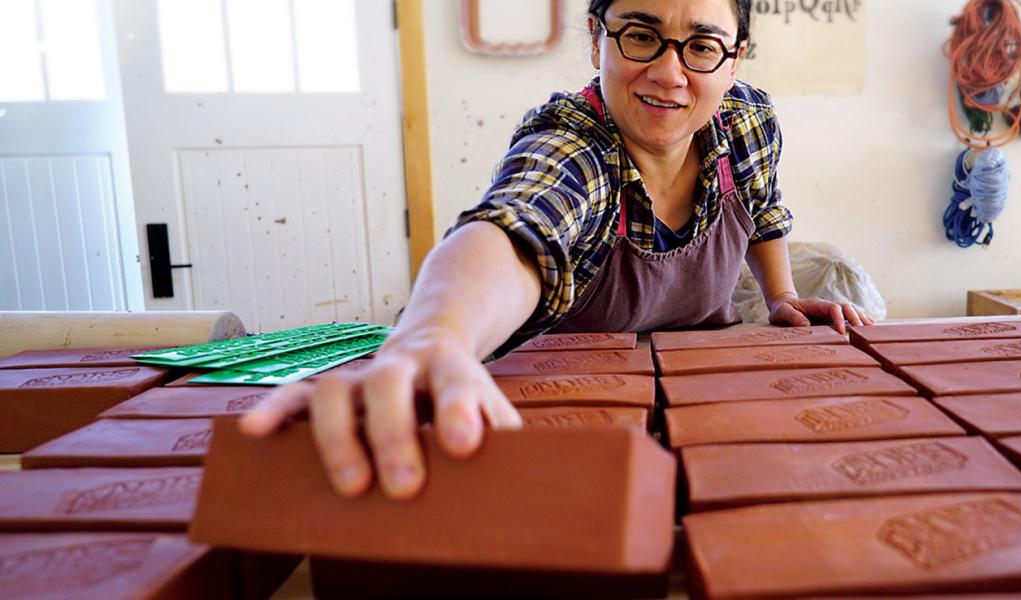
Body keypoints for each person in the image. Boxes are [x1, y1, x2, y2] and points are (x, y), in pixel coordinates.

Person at [241, 0, 872, 500]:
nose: (669, 73)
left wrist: (782, 295)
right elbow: (516, 227)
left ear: (734, 60)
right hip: (570, 400)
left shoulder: (745, 119)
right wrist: (434, 334)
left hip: (705, 393)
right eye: (641, 35)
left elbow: (763, 210)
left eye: (702, 46)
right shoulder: (574, 144)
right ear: (598, 39)